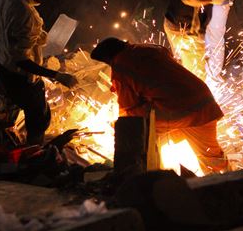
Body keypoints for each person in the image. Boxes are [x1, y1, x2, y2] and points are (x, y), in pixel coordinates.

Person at [90, 38, 228, 174]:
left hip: (175, 111)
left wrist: (118, 125)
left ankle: (153, 175)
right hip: (204, 103)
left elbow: (129, 107)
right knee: (211, 157)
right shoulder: (152, 48)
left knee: (138, 129)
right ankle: (230, 182)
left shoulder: (120, 66)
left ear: (109, 58)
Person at [0, 0, 78, 145]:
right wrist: (57, 75)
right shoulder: (24, 15)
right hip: (19, 76)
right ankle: (33, 154)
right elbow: (21, 60)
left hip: (2, 63)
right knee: (39, 118)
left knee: (13, 108)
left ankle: (7, 139)